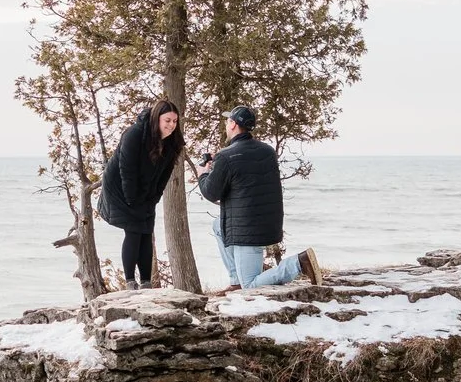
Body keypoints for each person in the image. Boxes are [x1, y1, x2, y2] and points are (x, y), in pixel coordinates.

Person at [195, 104, 325, 289]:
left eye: (227, 120)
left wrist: (203, 174)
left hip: (246, 232)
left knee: (251, 285)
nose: (226, 124)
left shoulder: (227, 157)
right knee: (218, 226)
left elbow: (210, 192)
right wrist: (223, 162)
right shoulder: (267, 151)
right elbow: (247, 177)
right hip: (267, 225)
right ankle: (236, 282)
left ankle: (298, 263)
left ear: (233, 124)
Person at [97, 99, 183, 288]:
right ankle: (130, 282)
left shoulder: (172, 142)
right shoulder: (134, 134)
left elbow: (165, 174)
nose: (171, 125)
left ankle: (146, 282)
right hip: (120, 187)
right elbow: (126, 169)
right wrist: (131, 200)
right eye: (167, 120)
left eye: (174, 121)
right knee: (134, 229)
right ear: (156, 119)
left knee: (146, 230)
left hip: (145, 188)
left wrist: (155, 197)